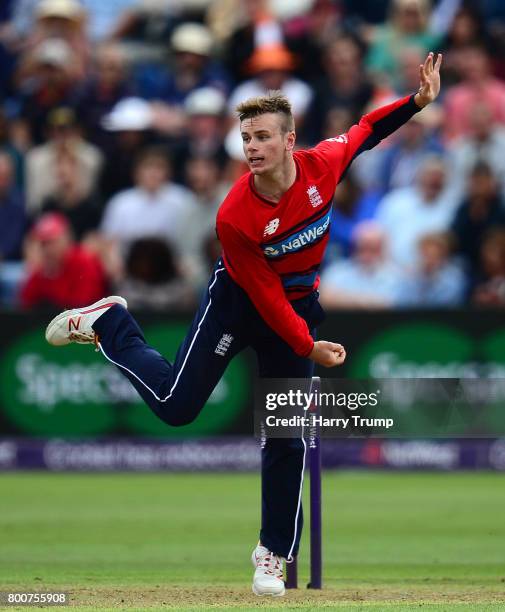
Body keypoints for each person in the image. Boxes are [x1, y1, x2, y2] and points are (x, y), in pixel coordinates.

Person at [45, 52, 443, 597]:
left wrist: (417, 101)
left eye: (261, 137)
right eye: (246, 138)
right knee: (177, 408)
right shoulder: (234, 214)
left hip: (296, 309)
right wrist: (312, 347)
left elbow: (366, 130)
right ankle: (112, 322)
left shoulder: (323, 165)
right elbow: (263, 295)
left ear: (289, 139)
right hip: (239, 304)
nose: (252, 147)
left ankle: (272, 555)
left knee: (285, 436)